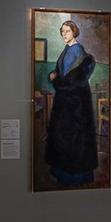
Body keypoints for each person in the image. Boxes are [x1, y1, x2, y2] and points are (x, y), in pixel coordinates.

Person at [42, 19, 101, 186]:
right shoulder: (66, 50)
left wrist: (56, 80)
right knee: (62, 139)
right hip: (64, 103)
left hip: (77, 105)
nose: (64, 34)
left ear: (74, 32)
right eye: (62, 31)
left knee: (76, 141)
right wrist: (54, 74)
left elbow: (75, 80)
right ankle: (61, 174)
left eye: (67, 31)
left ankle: (76, 179)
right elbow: (60, 72)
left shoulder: (80, 53)